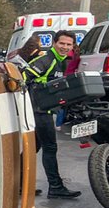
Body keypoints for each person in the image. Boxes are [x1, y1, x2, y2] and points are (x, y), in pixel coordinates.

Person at [23, 30, 81, 199]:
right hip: (39, 111)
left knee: (34, 147)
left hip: (45, 109)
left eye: (68, 44)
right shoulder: (46, 60)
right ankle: (55, 187)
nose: (64, 47)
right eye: (61, 43)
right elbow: (23, 77)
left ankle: (19, 184)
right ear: (55, 43)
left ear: (72, 46)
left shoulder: (62, 61)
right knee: (50, 147)